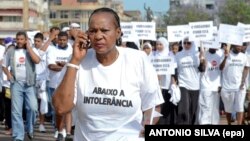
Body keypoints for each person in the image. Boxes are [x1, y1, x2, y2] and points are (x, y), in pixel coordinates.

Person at [52, 7, 163, 141]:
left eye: (104, 30)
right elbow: (61, 108)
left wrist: (146, 127)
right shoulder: (78, 62)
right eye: (92, 31)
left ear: (118, 32)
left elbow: (152, 104)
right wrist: (75, 61)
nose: (98, 36)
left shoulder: (138, 60)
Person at [2, 31, 40, 141]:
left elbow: (37, 61)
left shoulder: (31, 50)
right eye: (17, 39)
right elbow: (4, 66)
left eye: (21, 39)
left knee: (33, 108)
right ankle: (18, 136)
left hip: (29, 84)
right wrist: (8, 74)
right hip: (16, 84)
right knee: (16, 111)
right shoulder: (11, 51)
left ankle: (29, 129)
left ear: (26, 40)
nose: (19, 41)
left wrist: (29, 48)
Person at [220, 44, 249, 125]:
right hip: (227, 86)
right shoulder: (226, 54)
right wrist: (225, 57)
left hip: (239, 86)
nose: (240, 47)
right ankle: (229, 123)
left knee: (240, 107)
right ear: (233, 46)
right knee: (228, 109)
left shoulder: (244, 56)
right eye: (237, 46)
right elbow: (221, 68)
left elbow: (246, 68)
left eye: (241, 46)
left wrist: (243, 81)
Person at [175, 37, 202, 125]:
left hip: (195, 85)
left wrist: (202, 58)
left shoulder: (197, 54)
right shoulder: (178, 55)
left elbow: (202, 69)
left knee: (193, 110)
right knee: (184, 109)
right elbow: (175, 70)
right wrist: (174, 83)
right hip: (183, 84)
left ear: (192, 44)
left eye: (189, 43)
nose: (186, 45)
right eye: (185, 43)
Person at [197, 48, 223, 125]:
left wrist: (220, 84)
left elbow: (221, 69)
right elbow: (201, 69)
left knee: (215, 110)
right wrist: (202, 59)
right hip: (205, 86)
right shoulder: (203, 53)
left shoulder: (221, 53)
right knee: (205, 109)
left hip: (216, 86)